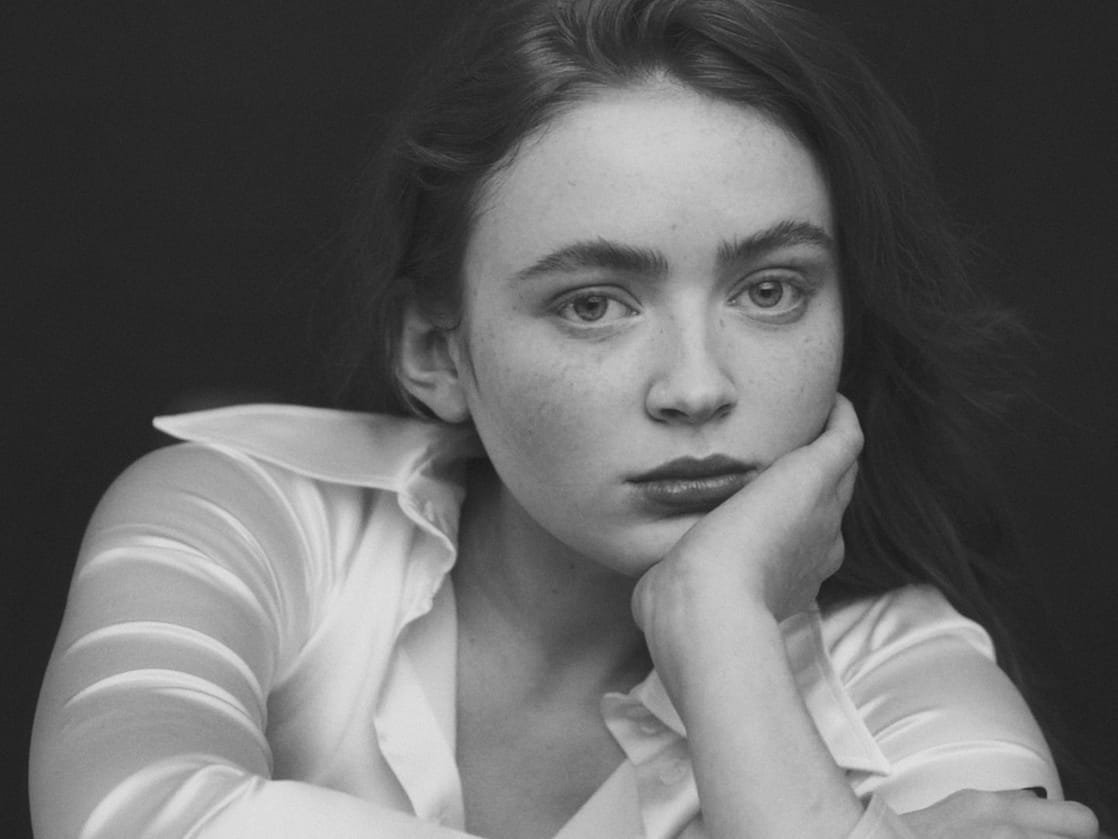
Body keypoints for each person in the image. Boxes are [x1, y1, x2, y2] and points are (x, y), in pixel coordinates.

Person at [29, 0, 1102, 837]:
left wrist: (718, 622)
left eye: (771, 289)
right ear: (437, 351)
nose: (695, 387)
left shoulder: (904, 676)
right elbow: (131, 817)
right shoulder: (247, 516)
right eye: (593, 304)